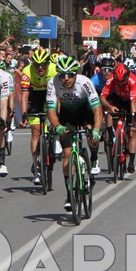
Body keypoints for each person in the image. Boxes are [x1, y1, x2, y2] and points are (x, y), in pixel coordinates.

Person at [46, 57, 102, 211]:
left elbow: (97, 109)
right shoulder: (52, 83)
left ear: (75, 74)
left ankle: (94, 159)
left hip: (85, 112)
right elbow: (50, 110)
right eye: (62, 75)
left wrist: (96, 130)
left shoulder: (85, 82)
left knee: (92, 136)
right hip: (67, 115)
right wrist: (57, 126)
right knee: (66, 153)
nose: (65, 79)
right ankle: (70, 194)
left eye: (69, 75)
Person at [20, 48, 58, 184]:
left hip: (49, 95)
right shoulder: (27, 71)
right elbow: (24, 95)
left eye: (43, 65)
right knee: (36, 131)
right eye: (36, 65)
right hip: (34, 96)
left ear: (49, 64)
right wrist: (24, 113)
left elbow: (59, 93)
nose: (40, 68)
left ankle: (55, 140)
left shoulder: (55, 69)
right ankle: (36, 167)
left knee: (55, 121)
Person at [100, 63, 136, 173]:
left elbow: (133, 102)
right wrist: (110, 107)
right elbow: (102, 97)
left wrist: (135, 116)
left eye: (123, 82)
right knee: (109, 108)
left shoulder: (133, 80)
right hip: (117, 99)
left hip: (129, 102)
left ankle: (131, 162)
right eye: (118, 82)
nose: (121, 84)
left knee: (132, 132)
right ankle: (112, 135)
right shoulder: (112, 79)